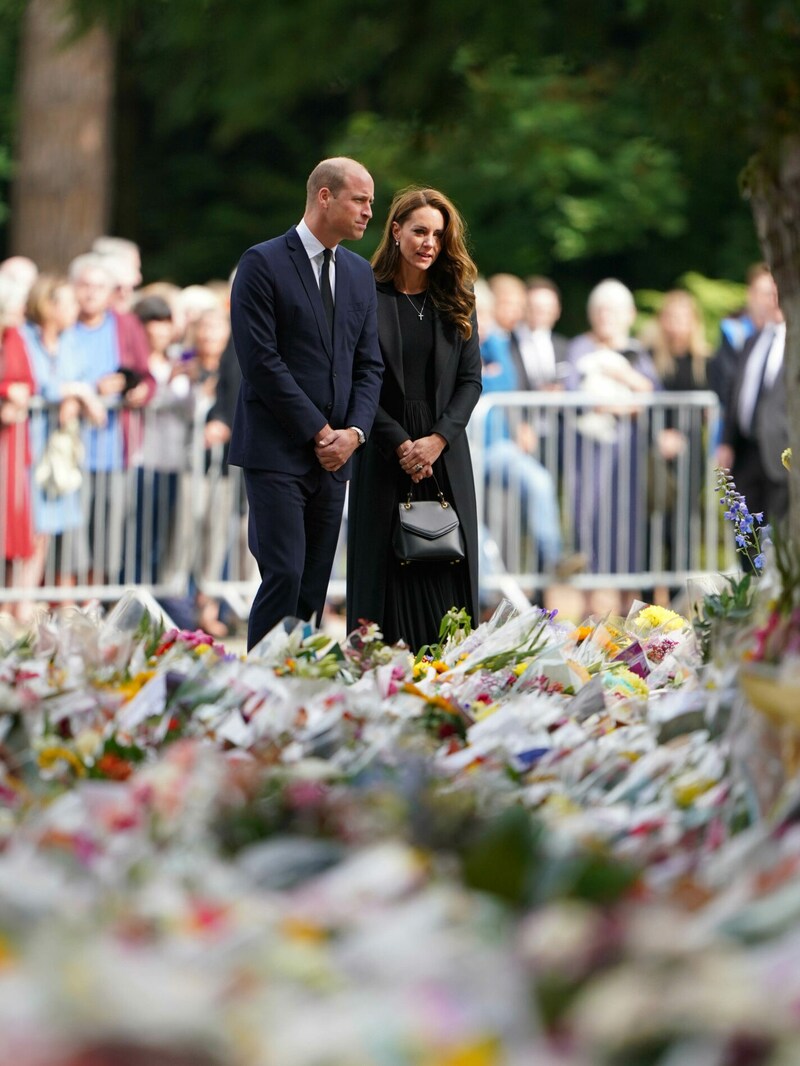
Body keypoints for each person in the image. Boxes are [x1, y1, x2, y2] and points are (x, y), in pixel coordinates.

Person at [229, 156, 383, 650]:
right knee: (285, 575)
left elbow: (369, 365)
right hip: (278, 450)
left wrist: (354, 435)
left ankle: (296, 692)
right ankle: (258, 693)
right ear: (324, 196)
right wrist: (320, 433)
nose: (367, 213)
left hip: (336, 456)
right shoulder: (263, 262)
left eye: (371, 203)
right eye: (359, 200)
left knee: (312, 587)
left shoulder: (360, 275)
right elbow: (261, 361)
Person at [346, 186, 482, 649]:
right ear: (396, 230)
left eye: (439, 235)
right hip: (385, 449)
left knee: (448, 565)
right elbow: (354, 377)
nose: (429, 242)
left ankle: (452, 675)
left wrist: (437, 440)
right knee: (382, 573)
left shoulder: (457, 298)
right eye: (420, 231)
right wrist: (402, 443)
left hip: (444, 450)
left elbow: (471, 381)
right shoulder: (364, 292)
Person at [565, 279, 659, 608]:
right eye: (600, 310)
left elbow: (652, 396)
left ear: (628, 315)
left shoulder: (637, 351)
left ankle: (628, 616)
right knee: (587, 526)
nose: (606, 316)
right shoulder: (580, 347)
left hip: (628, 456)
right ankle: (590, 619)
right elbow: (574, 396)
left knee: (626, 530)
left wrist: (625, 380)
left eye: (613, 310)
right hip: (587, 457)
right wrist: (625, 405)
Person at [717, 269, 788, 541]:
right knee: (746, 537)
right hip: (746, 453)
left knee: (780, 539)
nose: (772, 300)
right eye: (766, 293)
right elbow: (737, 395)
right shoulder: (752, 339)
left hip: (783, 454)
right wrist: (726, 442)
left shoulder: (792, 340)